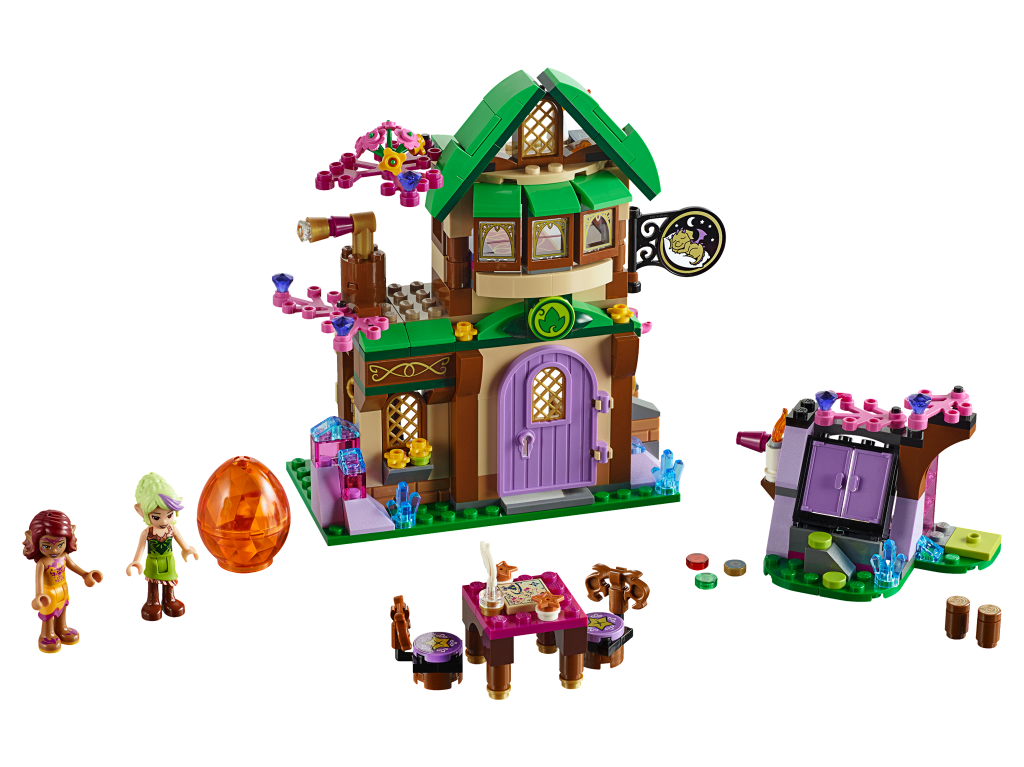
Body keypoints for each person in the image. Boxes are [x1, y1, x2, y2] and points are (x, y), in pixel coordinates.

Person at [23, 510, 103, 653]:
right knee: (48, 615)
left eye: (60, 544)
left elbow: (74, 567)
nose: (54, 550)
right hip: (48, 594)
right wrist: (39, 596)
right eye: (47, 546)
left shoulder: (64, 556)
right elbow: (38, 581)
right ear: (36, 542)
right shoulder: (42, 563)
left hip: (63, 589)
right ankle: (47, 634)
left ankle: (61, 628)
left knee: (63, 609)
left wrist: (86, 574)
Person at [126, 473, 198, 620]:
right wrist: (136, 561)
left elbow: (182, 543)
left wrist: (187, 549)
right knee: (152, 583)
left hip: (169, 560)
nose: (164, 521)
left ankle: (170, 599)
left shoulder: (172, 530)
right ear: (142, 512)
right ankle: (152, 601)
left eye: (169, 515)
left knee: (169, 581)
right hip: (153, 561)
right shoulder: (147, 532)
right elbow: (140, 549)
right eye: (156, 517)